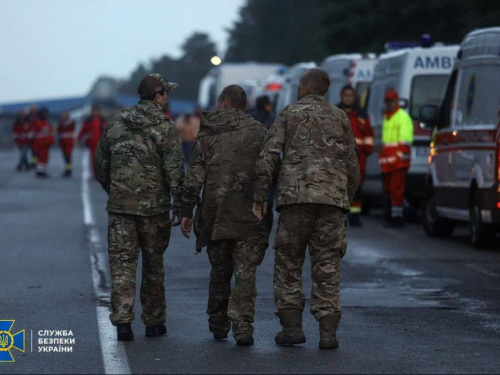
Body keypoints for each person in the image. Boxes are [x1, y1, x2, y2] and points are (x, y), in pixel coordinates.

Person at [253, 68, 360, 350]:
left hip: (295, 201)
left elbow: (268, 156)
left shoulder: (288, 114)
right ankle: (328, 333)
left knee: (288, 262)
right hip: (331, 203)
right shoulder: (340, 117)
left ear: (305, 87)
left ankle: (291, 329)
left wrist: (260, 195)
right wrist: (343, 196)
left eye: (301, 84)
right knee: (327, 265)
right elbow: (352, 165)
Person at [94, 73, 184, 341]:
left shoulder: (116, 123)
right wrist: (180, 205)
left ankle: (123, 322)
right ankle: (154, 322)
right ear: (158, 96)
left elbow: (100, 165)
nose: (168, 98)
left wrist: (115, 191)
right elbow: (175, 172)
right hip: (154, 210)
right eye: (166, 93)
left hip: (121, 209)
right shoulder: (165, 127)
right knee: (154, 265)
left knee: (123, 266)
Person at [180, 85, 271, 346]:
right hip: (251, 217)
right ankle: (243, 327)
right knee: (245, 274)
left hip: (215, 215)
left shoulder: (208, 134)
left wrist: (186, 210)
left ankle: (218, 323)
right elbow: (270, 171)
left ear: (222, 103)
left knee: (219, 271)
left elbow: (195, 176)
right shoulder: (260, 132)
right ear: (243, 105)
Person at [337, 85, 374, 227]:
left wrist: (366, 150)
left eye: (351, 95)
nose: (348, 98)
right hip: (338, 159)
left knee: (357, 190)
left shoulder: (362, 116)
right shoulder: (335, 113)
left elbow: (368, 136)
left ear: (354, 97)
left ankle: (355, 217)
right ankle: (339, 218)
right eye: (346, 95)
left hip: (358, 160)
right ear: (342, 96)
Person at [378, 89, 413, 228]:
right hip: (389, 162)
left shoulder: (402, 117)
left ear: (397, 101)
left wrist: (397, 158)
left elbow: (404, 143)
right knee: (389, 190)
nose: (389, 103)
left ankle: (397, 218)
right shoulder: (388, 117)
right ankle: (391, 216)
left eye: (391, 100)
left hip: (398, 162)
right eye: (387, 100)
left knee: (396, 190)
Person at [78, 105, 106, 175]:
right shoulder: (88, 122)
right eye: (94, 111)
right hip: (92, 144)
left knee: (102, 159)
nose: (96, 113)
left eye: (97, 111)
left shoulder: (103, 121)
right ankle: (95, 172)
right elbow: (82, 131)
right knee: (94, 159)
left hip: (101, 143)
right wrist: (79, 140)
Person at [32, 108, 54, 178]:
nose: (46, 115)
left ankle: (42, 170)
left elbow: (50, 130)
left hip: (45, 143)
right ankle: (41, 171)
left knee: (45, 157)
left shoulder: (45, 122)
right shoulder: (37, 122)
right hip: (40, 143)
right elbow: (41, 130)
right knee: (41, 157)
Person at [57, 112, 76, 177]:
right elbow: (58, 130)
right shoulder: (62, 122)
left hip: (68, 141)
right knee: (65, 156)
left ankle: (68, 170)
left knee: (68, 155)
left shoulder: (70, 121)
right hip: (63, 141)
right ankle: (68, 169)